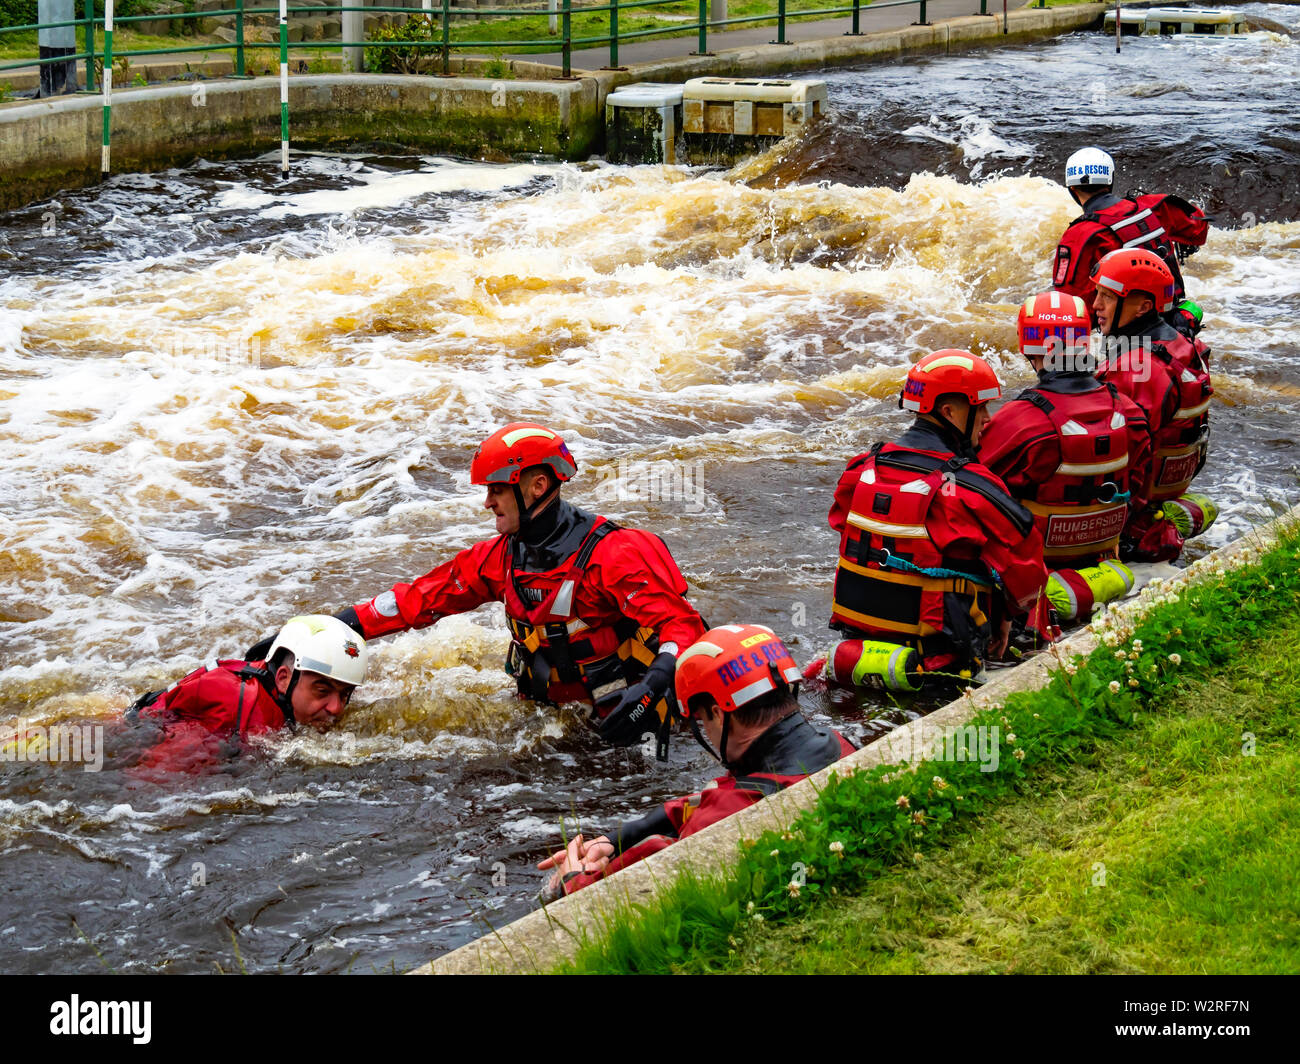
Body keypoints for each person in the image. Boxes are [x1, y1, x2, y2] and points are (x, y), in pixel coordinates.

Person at [250, 423, 707, 759]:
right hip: (550, 718)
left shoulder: (618, 553)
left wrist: (653, 687)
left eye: (495, 490)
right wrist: (322, 628)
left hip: (629, 716)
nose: (487, 502)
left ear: (538, 485)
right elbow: (418, 599)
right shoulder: (499, 557)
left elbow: (683, 626)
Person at [537, 624, 855, 900]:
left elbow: (603, 898)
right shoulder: (839, 744)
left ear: (717, 712)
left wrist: (570, 878)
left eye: (702, 719)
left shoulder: (726, 814)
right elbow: (712, 799)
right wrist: (615, 839)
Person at [828, 350, 1051, 681]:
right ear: (950, 412)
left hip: (858, 650)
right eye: (981, 408)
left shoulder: (860, 470)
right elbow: (1027, 569)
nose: (988, 418)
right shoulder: (974, 487)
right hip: (939, 662)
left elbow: (839, 523)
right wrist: (1007, 615)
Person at [979, 291, 1152, 570]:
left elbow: (974, 487)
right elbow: (1139, 485)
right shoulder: (1129, 411)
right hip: (1102, 554)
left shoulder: (1019, 421)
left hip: (1037, 564)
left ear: (1027, 347)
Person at [127, 614, 367, 773]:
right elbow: (150, 782)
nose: (336, 708)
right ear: (283, 678)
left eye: (345, 694)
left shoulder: (272, 687)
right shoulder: (235, 712)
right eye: (322, 690)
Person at [1092, 249, 1213, 562]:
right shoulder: (1187, 345)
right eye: (1097, 294)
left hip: (1135, 520)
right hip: (1164, 493)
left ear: (1144, 307)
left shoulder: (1137, 369)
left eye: (1108, 297)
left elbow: (1122, 456)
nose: (1096, 306)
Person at [1052, 147, 1208, 328]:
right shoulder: (1153, 206)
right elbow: (1198, 229)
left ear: (1071, 188)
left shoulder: (1080, 234)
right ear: (1110, 180)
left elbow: (1074, 306)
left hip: (1129, 331)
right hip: (1175, 318)